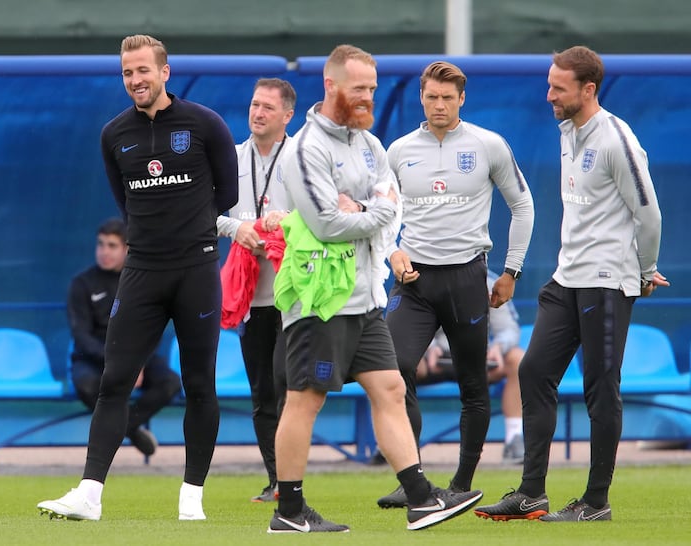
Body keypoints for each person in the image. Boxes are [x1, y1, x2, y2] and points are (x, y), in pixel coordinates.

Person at [266, 44, 483, 534]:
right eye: (359, 88)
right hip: (321, 299)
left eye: (372, 88)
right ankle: (289, 511)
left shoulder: (367, 144)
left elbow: (388, 199)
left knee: (389, 387)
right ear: (331, 86)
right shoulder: (305, 149)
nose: (367, 97)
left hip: (366, 299)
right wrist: (373, 211)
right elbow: (326, 223)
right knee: (305, 398)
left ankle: (421, 498)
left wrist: (363, 210)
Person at [38, 34, 238, 522]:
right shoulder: (114, 134)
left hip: (196, 271)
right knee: (114, 381)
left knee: (199, 384)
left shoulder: (205, 124)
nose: (135, 80)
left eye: (143, 71)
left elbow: (226, 195)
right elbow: (125, 204)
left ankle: (192, 498)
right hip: (142, 272)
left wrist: (188, 234)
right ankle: (89, 494)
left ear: (165, 72)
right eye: (127, 73)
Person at [474, 45, 668, 523]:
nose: (549, 96)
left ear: (588, 89)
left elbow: (649, 213)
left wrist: (644, 270)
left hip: (606, 281)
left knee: (601, 388)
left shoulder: (617, 139)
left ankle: (595, 502)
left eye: (557, 88)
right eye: (548, 85)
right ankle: (531, 494)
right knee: (534, 371)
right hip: (567, 278)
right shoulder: (568, 131)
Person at [377, 60, 534, 508]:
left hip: (468, 278)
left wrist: (511, 272)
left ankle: (461, 485)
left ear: (462, 99)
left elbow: (523, 206)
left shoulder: (488, 144)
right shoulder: (399, 150)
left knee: (473, 384)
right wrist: (392, 250)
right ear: (421, 99)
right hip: (414, 282)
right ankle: (415, 482)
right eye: (432, 97)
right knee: (392, 370)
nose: (439, 104)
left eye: (448, 97)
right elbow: (382, 217)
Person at [216, 78, 296, 502]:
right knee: (262, 392)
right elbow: (204, 215)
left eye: (267, 107)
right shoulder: (229, 160)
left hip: (293, 295)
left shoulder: (303, 159)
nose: (257, 112)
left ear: (287, 116)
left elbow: (322, 219)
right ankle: (274, 480)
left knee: (286, 385)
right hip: (249, 299)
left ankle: (290, 480)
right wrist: (239, 228)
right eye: (253, 104)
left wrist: (288, 225)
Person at [67, 218, 181, 457]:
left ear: (127, 248)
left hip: (137, 358)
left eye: (112, 245)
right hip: (94, 360)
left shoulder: (142, 282)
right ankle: (133, 433)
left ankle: (122, 428)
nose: (104, 252)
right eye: (100, 244)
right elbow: (81, 335)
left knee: (170, 383)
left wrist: (136, 363)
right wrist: (118, 364)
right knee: (86, 385)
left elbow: (153, 328)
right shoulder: (81, 283)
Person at [416, 271, 525, 463]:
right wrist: (429, 347)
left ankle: (514, 438)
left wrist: (499, 347)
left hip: (476, 363)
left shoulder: (490, 283)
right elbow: (412, 326)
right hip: (434, 362)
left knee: (517, 359)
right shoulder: (425, 280)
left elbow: (508, 329)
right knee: (400, 363)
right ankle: (398, 444)